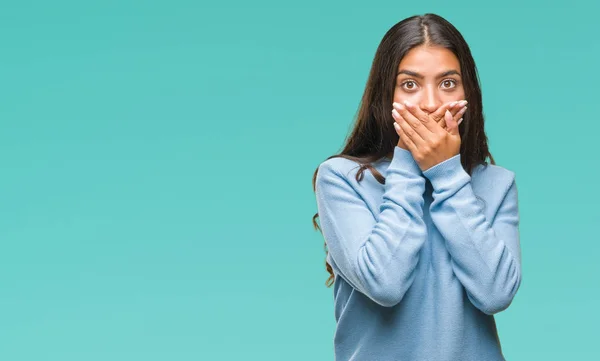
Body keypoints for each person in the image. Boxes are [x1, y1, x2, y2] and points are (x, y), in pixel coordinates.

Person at [311, 13, 521, 361]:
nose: (430, 103)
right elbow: (385, 283)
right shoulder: (341, 179)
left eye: (448, 83)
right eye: (410, 84)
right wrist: (408, 162)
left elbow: (496, 293)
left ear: (468, 91)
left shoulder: (496, 184)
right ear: (385, 94)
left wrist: (447, 175)